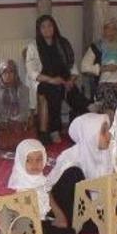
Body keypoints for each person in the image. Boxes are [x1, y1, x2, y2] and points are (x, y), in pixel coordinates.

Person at [25, 15, 89, 145]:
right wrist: (52, 80)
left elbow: (73, 68)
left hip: (64, 80)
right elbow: (32, 72)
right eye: (43, 27)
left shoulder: (63, 44)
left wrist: (71, 80)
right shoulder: (34, 46)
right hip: (43, 81)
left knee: (72, 93)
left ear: (54, 27)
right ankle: (54, 130)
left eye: (50, 25)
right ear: (39, 30)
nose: (47, 29)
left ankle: (84, 124)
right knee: (55, 90)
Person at [7, 139, 76, 234]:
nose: (35, 164)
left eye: (38, 160)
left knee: (68, 232)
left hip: (41, 223)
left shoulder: (42, 180)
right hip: (26, 227)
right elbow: (18, 217)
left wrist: (60, 217)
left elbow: (49, 200)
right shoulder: (21, 186)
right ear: (21, 161)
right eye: (29, 160)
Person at [46, 113, 113, 227]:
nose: (109, 136)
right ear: (91, 135)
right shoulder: (70, 157)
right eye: (103, 132)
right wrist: (59, 216)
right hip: (66, 210)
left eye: (108, 131)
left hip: (93, 208)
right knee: (74, 172)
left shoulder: (106, 153)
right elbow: (46, 190)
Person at [0, 59, 31, 150]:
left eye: (11, 72)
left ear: (15, 74)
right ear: (0, 74)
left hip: (18, 124)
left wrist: (14, 122)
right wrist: (0, 124)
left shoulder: (23, 89)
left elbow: (25, 111)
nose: (8, 75)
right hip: (2, 125)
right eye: (4, 72)